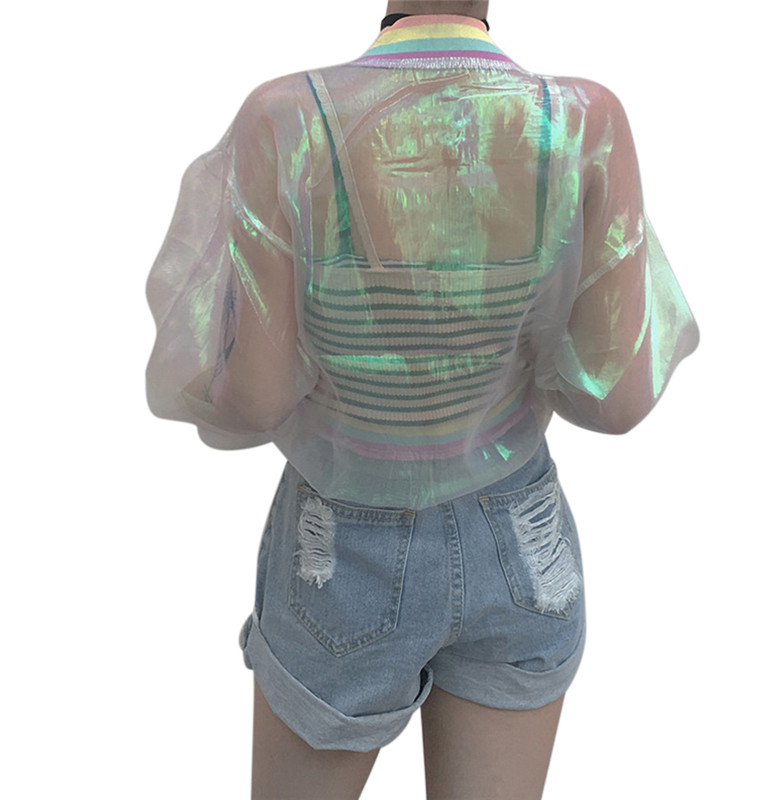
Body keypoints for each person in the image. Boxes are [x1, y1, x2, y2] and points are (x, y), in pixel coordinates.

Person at [144, 1, 700, 797]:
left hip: (340, 544)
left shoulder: (287, 119)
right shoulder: (582, 120)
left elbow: (256, 399)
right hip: (521, 539)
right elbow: (616, 399)